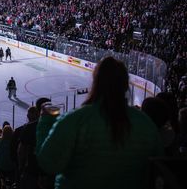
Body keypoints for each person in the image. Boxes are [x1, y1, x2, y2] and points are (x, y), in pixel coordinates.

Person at [36, 57, 163, 189]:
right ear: (125, 85)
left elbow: (48, 162)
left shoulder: (76, 120)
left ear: (95, 83)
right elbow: (158, 168)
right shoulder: (145, 124)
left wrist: (46, 121)